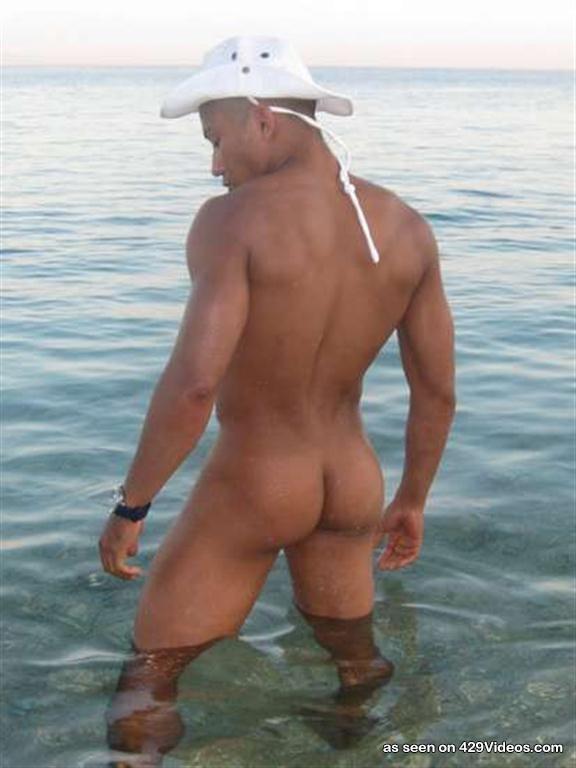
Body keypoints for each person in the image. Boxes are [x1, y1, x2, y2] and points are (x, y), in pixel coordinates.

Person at [98, 35, 456, 766]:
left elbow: (194, 384)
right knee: (355, 661)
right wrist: (413, 499)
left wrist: (131, 507)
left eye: (216, 138)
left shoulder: (231, 220)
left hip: (259, 480)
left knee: (151, 679)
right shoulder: (406, 227)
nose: (214, 165)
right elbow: (438, 391)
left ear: (261, 118)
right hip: (353, 484)